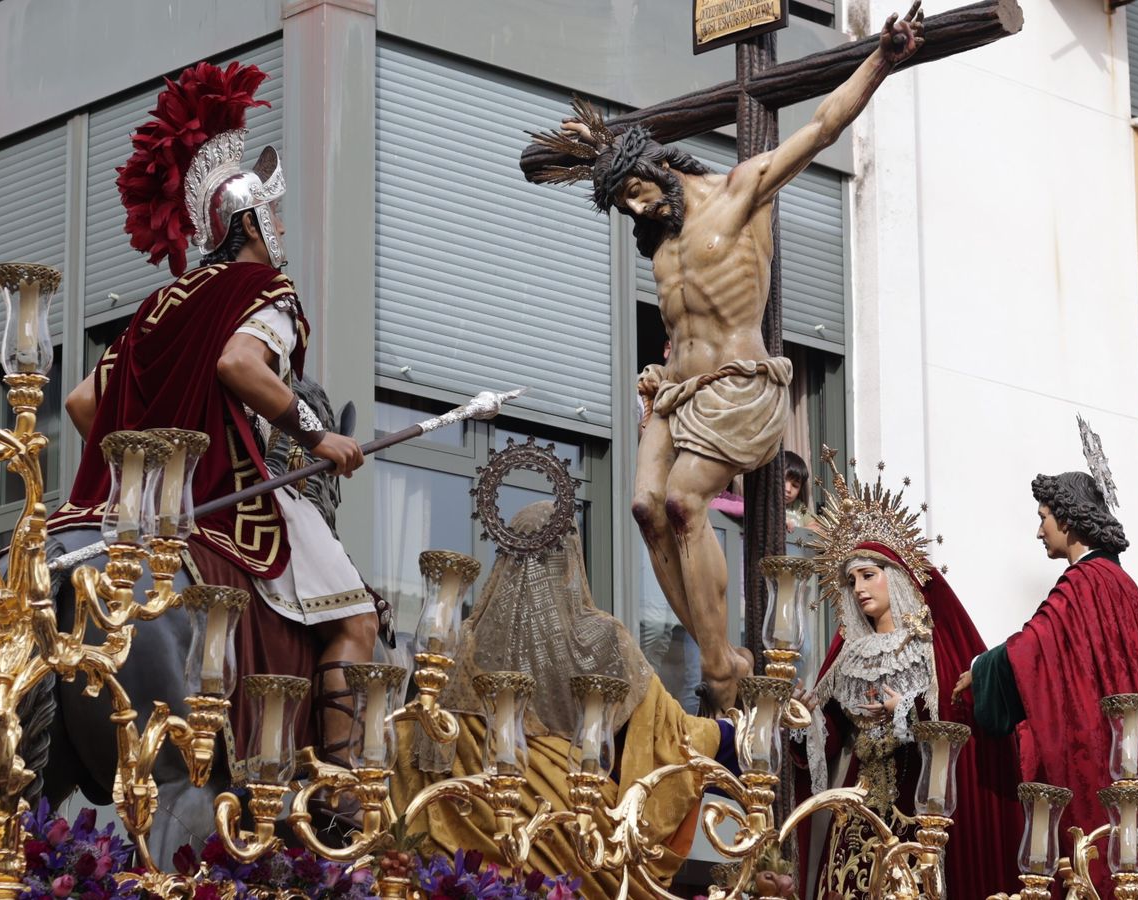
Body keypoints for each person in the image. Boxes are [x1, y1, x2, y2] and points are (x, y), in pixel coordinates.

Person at [529, 5, 926, 711]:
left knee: (685, 502)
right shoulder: (662, 235)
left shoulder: (741, 193)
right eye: (623, 206)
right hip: (675, 393)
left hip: (740, 389)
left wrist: (882, 60)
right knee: (645, 507)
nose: (639, 212)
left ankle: (719, 667)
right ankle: (722, 653)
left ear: (657, 167)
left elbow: (821, 127)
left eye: (637, 193)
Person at [52, 61, 378, 768]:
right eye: (277, 213)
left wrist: (138, 476)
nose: (284, 225)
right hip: (226, 505)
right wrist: (320, 436)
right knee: (357, 616)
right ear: (252, 222)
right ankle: (345, 789)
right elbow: (238, 364)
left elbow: (82, 403)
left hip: (126, 512)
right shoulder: (266, 287)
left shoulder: (157, 308)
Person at [391, 497, 736, 900]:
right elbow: (667, 736)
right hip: (578, 839)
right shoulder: (603, 639)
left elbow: (421, 740)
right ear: (573, 560)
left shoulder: (459, 648)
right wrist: (735, 735)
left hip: (470, 859)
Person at [793, 452, 1020, 900]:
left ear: (894, 577)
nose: (858, 589)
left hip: (914, 806)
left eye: (868, 575)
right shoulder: (848, 656)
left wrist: (908, 711)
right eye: (852, 579)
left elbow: (956, 719)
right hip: (855, 816)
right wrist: (804, 723)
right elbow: (832, 737)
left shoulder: (929, 647)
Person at [954, 470, 1138, 896]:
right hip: (1136, 760)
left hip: (1105, 760)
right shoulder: (1122, 585)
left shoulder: (1085, 582)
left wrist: (980, 670)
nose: (1038, 530)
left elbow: (1037, 643)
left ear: (1067, 519)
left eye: (1043, 517)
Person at [783, 449, 812, 533]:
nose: (788, 489)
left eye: (795, 485)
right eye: (783, 481)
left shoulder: (798, 506)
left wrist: (799, 532)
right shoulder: (765, 505)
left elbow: (818, 527)